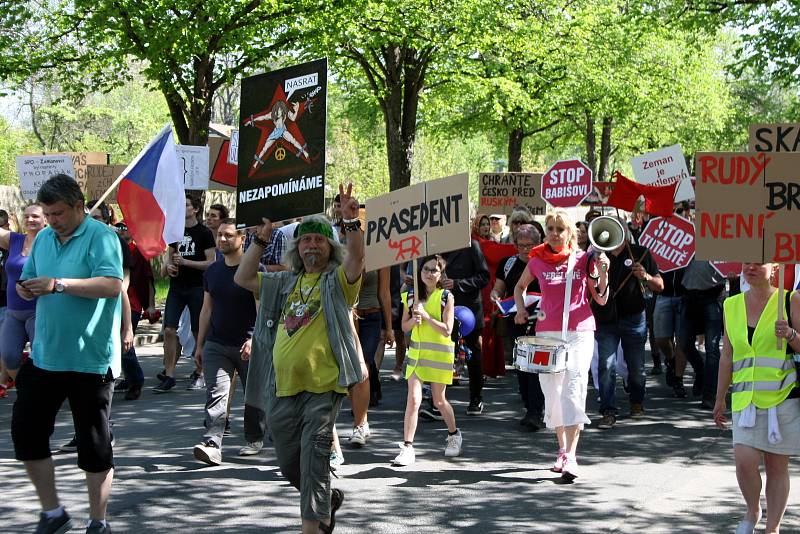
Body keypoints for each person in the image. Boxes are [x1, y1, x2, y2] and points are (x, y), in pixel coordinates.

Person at [235, 184, 366, 534]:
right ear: (297, 247)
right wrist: (261, 239)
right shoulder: (283, 282)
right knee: (290, 464)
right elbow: (243, 276)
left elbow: (356, 259)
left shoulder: (337, 281)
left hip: (322, 389)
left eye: (319, 240)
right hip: (281, 388)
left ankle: (314, 527)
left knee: (313, 461)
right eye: (306, 240)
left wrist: (352, 222)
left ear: (329, 247)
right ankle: (326, 502)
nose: (312, 245)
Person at [12, 174, 123, 534]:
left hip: (89, 360)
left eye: (58, 212)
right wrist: (26, 289)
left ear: (79, 206)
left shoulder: (102, 237)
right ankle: (52, 512)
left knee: (94, 447)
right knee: (27, 434)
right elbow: (30, 277)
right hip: (45, 356)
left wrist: (58, 285)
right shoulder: (43, 238)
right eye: (47, 213)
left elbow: (111, 285)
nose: (51, 220)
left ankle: (98, 520)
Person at [514, 210, 609, 480]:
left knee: (573, 388)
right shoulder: (537, 260)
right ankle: (562, 448)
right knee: (553, 394)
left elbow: (600, 299)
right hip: (547, 334)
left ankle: (572, 455)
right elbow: (519, 287)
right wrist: (520, 310)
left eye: (560, 229)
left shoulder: (583, 259)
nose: (555, 234)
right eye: (551, 228)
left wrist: (602, 272)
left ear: (571, 234)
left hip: (579, 332)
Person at [713, 263, 800, 534]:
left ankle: (772, 528)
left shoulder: (790, 299)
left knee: (777, 466)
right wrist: (719, 398)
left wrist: (790, 334)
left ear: (774, 268)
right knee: (744, 461)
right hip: (745, 399)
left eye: (757, 262)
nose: (749, 267)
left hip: (783, 397)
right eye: (746, 262)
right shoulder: (732, 304)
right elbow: (727, 354)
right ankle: (752, 509)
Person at [192, 219, 265, 465]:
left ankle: (255, 438)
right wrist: (199, 345)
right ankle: (212, 443)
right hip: (217, 344)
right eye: (219, 235)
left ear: (242, 239)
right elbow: (206, 309)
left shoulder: (255, 269)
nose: (222, 239)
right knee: (216, 394)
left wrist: (254, 339)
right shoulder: (212, 271)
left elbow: (262, 309)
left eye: (229, 235)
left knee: (254, 396)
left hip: (247, 345)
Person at [592, 220, 662, 429]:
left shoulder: (640, 253)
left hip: (633, 318)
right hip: (606, 320)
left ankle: (637, 402)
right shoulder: (595, 257)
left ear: (624, 233)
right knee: (606, 365)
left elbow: (659, 285)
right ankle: (608, 410)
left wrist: (645, 275)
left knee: (636, 368)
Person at [393, 255, 461, 466]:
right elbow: (403, 327)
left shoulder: (446, 297)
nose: (429, 274)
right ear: (419, 272)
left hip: (439, 356)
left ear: (441, 274)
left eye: (434, 270)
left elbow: (447, 329)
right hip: (416, 356)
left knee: (439, 401)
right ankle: (407, 447)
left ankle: (454, 434)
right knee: (413, 400)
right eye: (426, 269)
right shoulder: (410, 296)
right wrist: (414, 320)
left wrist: (427, 317)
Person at [155, 194, 215, 393]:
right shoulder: (175, 232)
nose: (183, 208)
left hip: (198, 287)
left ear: (195, 209)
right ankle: (169, 374)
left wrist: (188, 263)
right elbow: (167, 262)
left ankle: (201, 372)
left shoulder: (204, 233)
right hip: (177, 288)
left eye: (186, 205)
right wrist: (170, 267)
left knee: (198, 331)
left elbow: (211, 262)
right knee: (169, 330)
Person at [489, 225, 543, 431]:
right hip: (515, 320)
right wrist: (495, 296)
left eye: (529, 245)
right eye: (521, 245)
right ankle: (529, 405)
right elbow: (499, 288)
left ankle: (535, 412)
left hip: (541, 321)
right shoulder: (508, 263)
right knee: (521, 366)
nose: (525, 249)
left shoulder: (545, 262)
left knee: (536, 367)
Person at [441, 241, 490, 414]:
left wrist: (458, 284)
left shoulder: (471, 246)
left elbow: (484, 276)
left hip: (468, 309)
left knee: (473, 354)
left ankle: (476, 398)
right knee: (443, 354)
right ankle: (438, 402)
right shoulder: (435, 243)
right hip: (443, 307)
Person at [0, 203, 46, 383]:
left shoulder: (52, 242)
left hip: (39, 311)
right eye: (26, 216)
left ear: (45, 219)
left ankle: (42, 394)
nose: (30, 219)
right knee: (9, 357)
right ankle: (26, 390)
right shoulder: (13, 240)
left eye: (35, 216)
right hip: (13, 312)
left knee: (41, 359)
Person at [348, 266, 394, 447]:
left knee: (363, 368)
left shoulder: (379, 252)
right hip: (349, 316)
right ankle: (362, 418)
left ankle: (359, 425)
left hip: (372, 316)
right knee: (350, 370)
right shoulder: (344, 250)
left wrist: (389, 327)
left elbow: (384, 292)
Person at [115, 221, 156, 401]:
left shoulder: (138, 251)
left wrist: (151, 305)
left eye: (126, 229)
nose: (122, 232)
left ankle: (136, 380)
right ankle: (129, 376)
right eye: (120, 228)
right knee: (115, 342)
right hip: (111, 302)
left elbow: (148, 280)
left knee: (124, 341)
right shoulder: (109, 248)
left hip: (132, 304)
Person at [680, 259, 726, 409]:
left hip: (713, 296)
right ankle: (701, 371)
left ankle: (710, 395)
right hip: (689, 297)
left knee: (712, 349)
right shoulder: (686, 236)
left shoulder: (716, 238)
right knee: (684, 342)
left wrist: (732, 273)